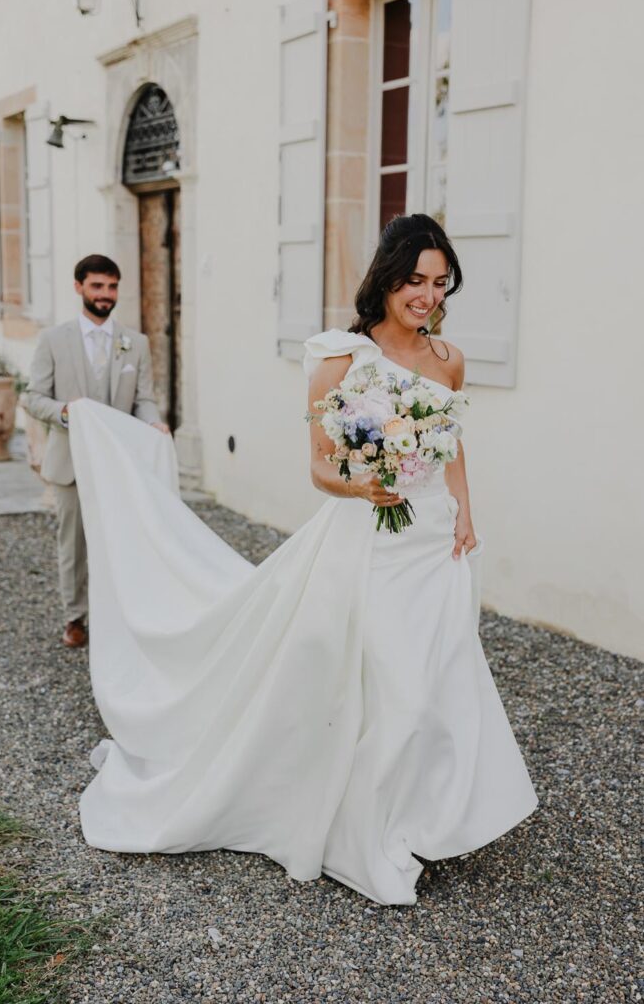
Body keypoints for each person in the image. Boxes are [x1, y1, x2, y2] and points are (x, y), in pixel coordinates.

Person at [69, 215, 537, 906]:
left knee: (435, 677)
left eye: (439, 284)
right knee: (385, 679)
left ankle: (412, 817)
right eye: (415, 281)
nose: (427, 296)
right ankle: (355, 828)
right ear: (386, 277)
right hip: (366, 541)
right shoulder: (339, 355)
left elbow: (449, 443)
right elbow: (320, 467)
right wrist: (360, 483)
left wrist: (465, 510)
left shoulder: (448, 361)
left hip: (432, 539)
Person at [25, 254, 169, 649]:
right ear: (79, 288)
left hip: (118, 461)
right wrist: (66, 412)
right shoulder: (53, 340)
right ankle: (75, 617)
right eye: (97, 286)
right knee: (73, 543)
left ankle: (119, 613)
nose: (106, 295)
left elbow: (143, 399)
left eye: (112, 287)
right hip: (70, 460)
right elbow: (33, 397)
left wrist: (154, 422)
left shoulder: (135, 343)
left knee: (121, 538)